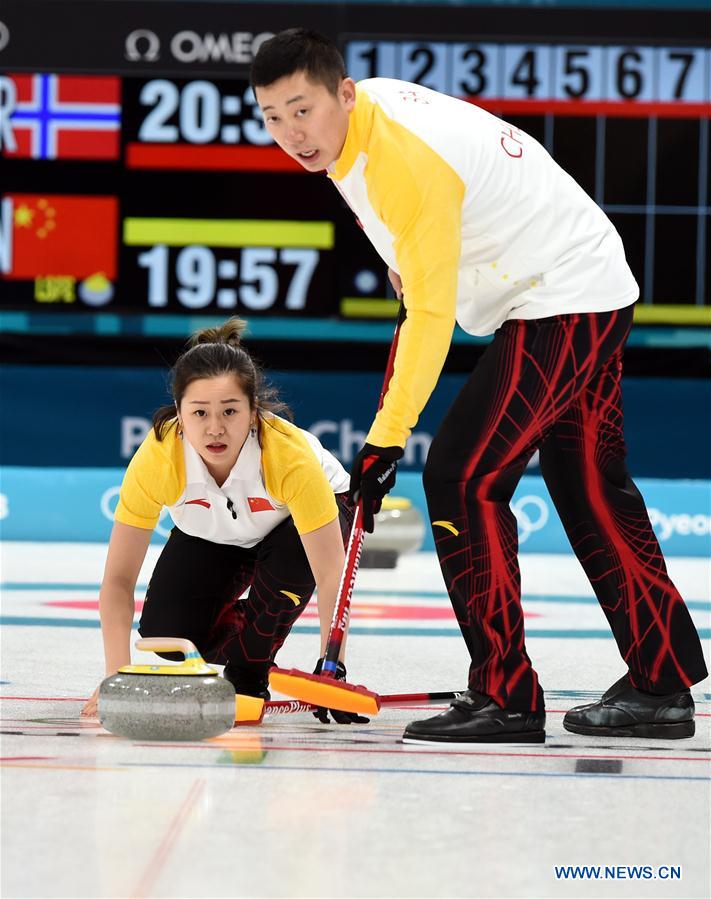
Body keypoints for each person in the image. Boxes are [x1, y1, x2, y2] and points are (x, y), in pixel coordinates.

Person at [251, 28, 708, 743]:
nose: (290, 134)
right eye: (272, 117)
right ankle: (659, 681)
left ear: (342, 92)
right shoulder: (351, 135)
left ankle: (504, 694)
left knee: (463, 475)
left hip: (561, 294)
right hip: (582, 284)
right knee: (588, 484)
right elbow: (414, 282)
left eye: (301, 110)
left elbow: (430, 317)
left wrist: (385, 437)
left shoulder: (400, 157)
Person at [81, 317, 366, 724]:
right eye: (199, 413)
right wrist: (116, 677)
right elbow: (118, 581)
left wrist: (331, 666)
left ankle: (251, 665)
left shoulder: (288, 457)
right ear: (179, 413)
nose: (215, 428)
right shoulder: (158, 460)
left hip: (300, 527)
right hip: (219, 532)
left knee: (285, 580)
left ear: (253, 413)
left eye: (230, 411)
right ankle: (255, 627)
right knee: (168, 634)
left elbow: (330, 577)